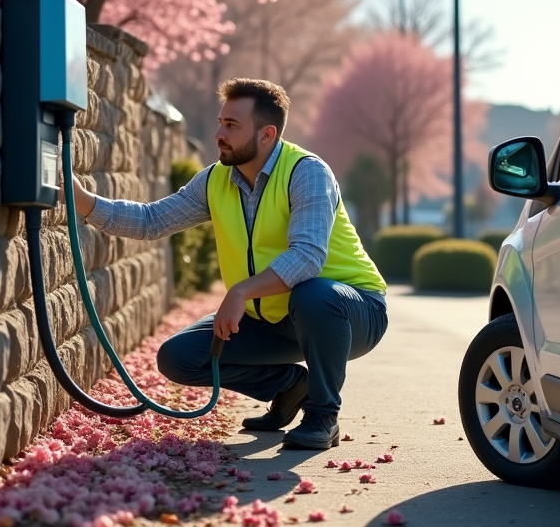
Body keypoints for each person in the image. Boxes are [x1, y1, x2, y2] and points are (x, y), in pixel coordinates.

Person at [70, 78, 388, 450]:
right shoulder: (215, 180)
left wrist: (241, 291)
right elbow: (152, 220)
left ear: (267, 134)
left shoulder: (307, 173)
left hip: (351, 311)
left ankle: (322, 416)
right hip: (273, 320)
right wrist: (82, 200)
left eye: (232, 126)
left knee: (313, 294)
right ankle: (288, 386)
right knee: (178, 358)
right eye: (221, 122)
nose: (219, 134)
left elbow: (308, 257)